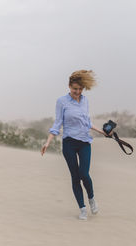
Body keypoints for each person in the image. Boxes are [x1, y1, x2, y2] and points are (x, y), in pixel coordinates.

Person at [41, 70, 112, 220]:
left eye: (80, 89)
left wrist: (102, 131)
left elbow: (86, 122)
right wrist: (48, 142)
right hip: (69, 144)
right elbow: (58, 123)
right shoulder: (62, 101)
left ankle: (91, 199)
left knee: (84, 174)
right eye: (75, 89)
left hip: (85, 142)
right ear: (69, 86)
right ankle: (82, 209)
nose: (77, 92)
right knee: (75, 177)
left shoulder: (85, 101)